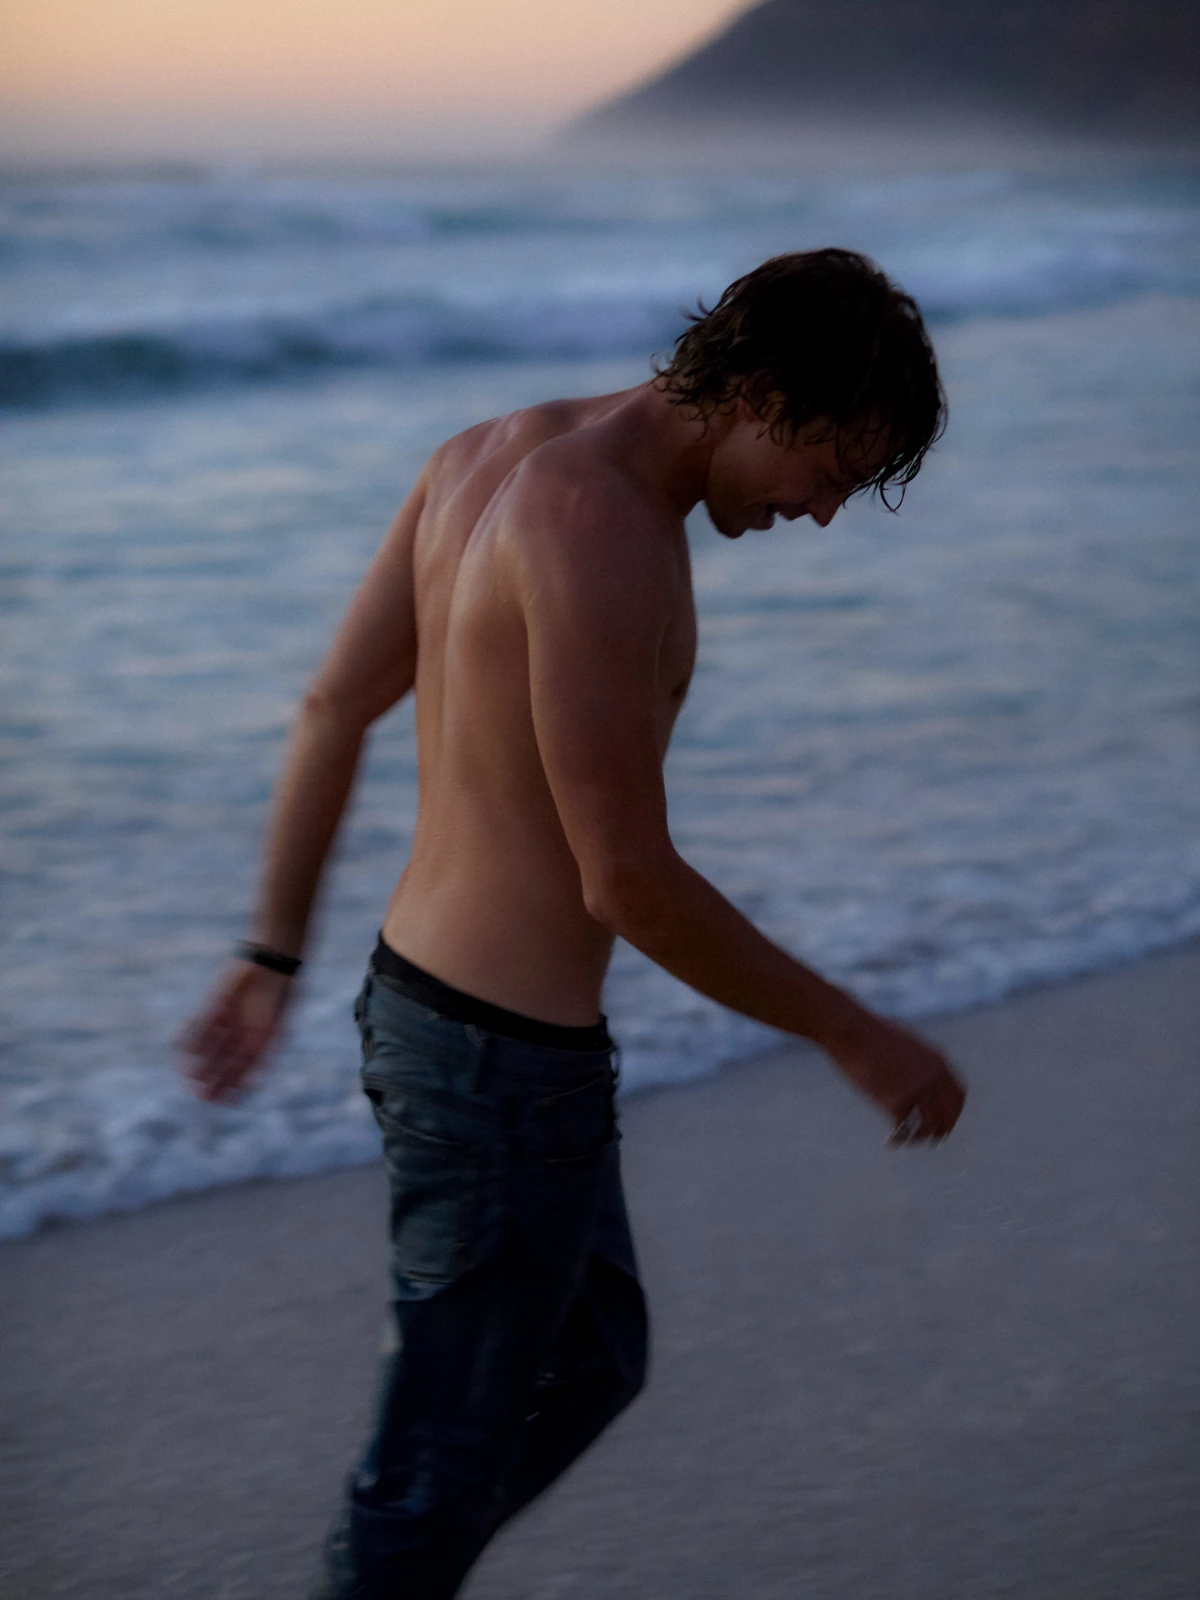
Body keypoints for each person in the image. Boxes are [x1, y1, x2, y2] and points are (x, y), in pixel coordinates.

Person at [179, 247, 967, 1598]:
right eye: (832, 469)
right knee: (428, 1483)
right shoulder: (600, 528)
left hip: (428, 1012)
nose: (825, 513)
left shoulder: (484, 454)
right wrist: (851, 1031)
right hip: (495, 1070)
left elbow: (329, 707)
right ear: (764, 392)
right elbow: (627, 881)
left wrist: (269, 954)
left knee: (593, 1361)